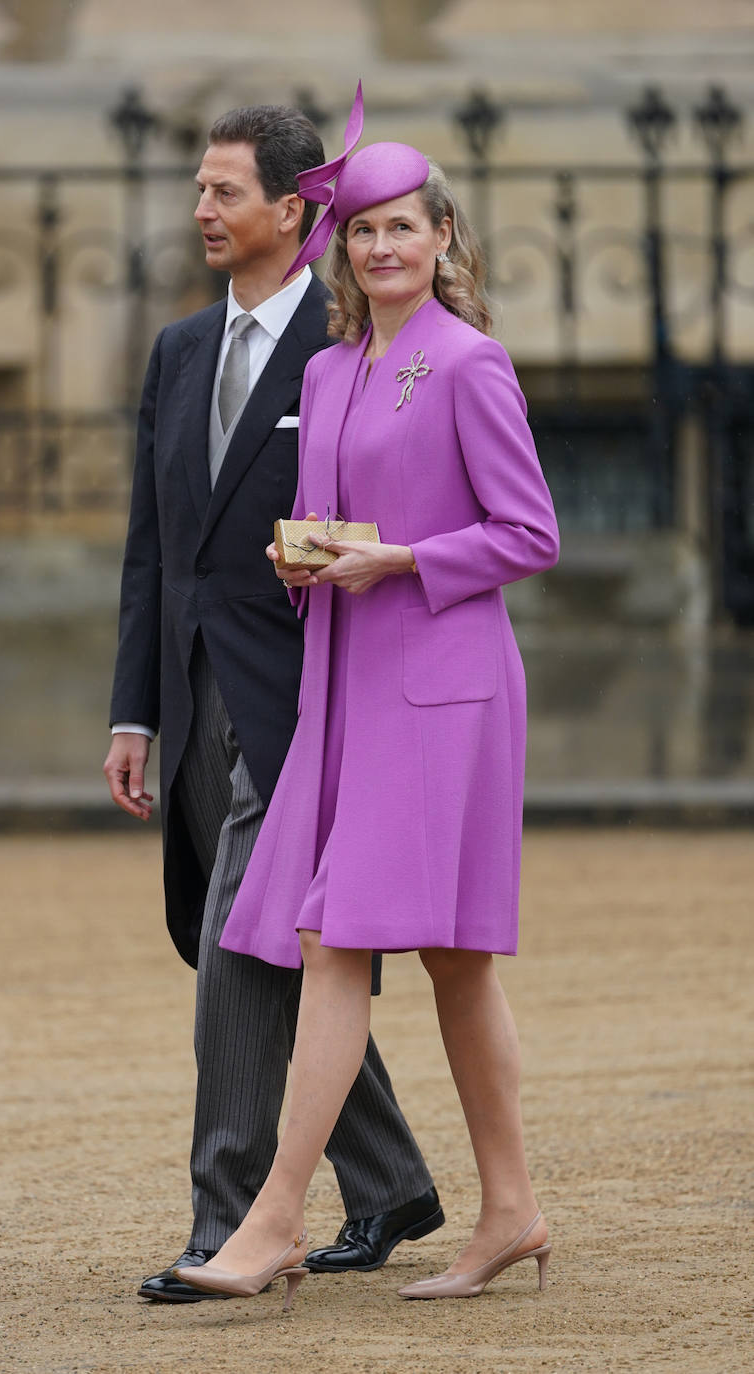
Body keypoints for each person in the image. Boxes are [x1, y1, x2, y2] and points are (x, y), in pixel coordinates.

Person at [176, 85, 560, 1308]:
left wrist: (398, 561)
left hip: (444, 688)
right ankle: (509, 1210)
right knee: (449, 962)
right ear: (339, 245)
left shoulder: (470, 363)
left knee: (336, 937)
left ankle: (272, 1219)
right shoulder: (333, 370)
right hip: (347, 684)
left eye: (404, 226)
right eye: (364, 230)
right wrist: (305, 558)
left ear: (443, 236)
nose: (383, 246)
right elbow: (325, 520)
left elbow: (529, 533)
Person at [103, 100, 442, 1304]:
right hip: (194, 689)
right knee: (254, 941)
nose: (200, 208)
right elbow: (154, 550)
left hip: (313, 696)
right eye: (199, 188)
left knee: (239, 954)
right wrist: (134, 712)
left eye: (223, 191)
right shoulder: (177, 349)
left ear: (293, 209)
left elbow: (406, 504)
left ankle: (231, 1220)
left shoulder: (350, 345)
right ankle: (391, 1181)